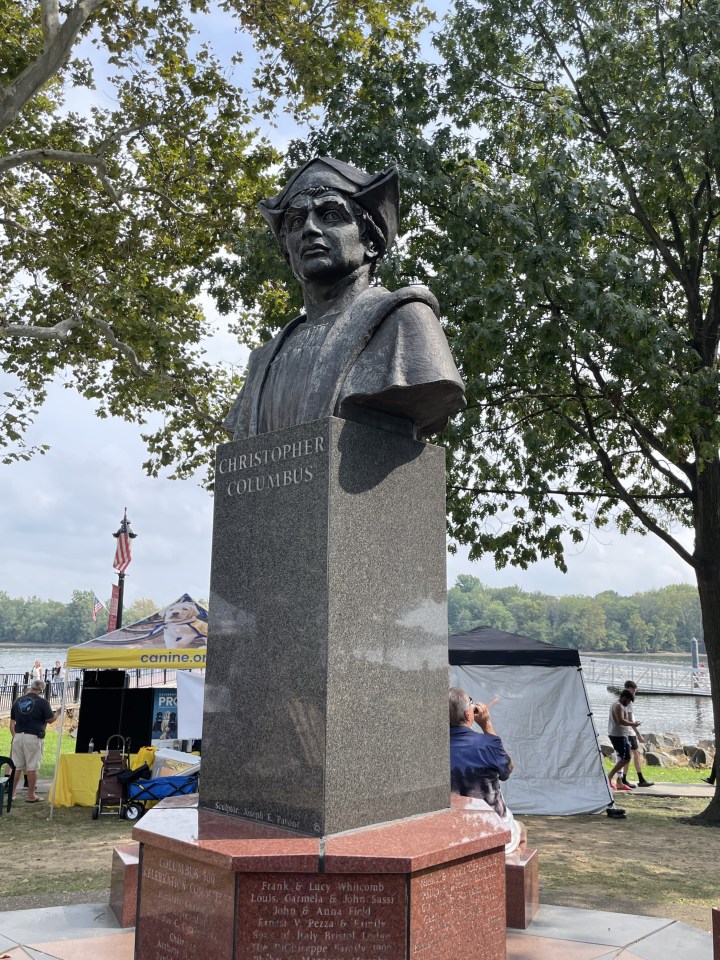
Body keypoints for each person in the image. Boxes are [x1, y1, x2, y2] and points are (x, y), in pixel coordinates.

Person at [224, 156, 466, 441]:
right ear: (286, 250)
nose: (310, 230)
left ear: (371, 243)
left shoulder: (405, 321)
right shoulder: (263, 361)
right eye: (297, 221)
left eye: (330, 216)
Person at [449, 686, 524, 853]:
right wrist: (486, 725)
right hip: (488, 826)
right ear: (469, 714)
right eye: (471, 703)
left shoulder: (432, 747)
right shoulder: (488, 743)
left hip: (452, 827)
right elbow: (507, 771)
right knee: (522, 830)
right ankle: (515, 870)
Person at [10, 678, 60, 802]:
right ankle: (31, 795)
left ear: (31, 687)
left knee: (17, 766)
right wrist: (58, 713)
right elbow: (49, 719)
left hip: (18, 736)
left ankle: (12, 793)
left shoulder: (18, 701)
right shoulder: (42, 702)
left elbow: (13, 719)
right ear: (41, 690)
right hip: (33, 737)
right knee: (32, 767)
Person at [620, 681, 654, 788]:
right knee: (634, 754)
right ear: (629, 689)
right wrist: (638, 734)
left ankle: (625, 778)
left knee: (630, 755)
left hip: (628, 731)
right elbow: (629, 719)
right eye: (634, 691)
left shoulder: (622, 701)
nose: (634, 693)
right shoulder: (628, 702)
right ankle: (637, 779)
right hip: (630, 731)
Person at [607, 689, 641, 792]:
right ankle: (609, 776)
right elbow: (620, 720)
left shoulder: (621, 705)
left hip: (622, 735)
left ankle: (619, 782)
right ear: (624, 698)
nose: (629, 703)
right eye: (629, 700)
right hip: (618, 735)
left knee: (623, 757)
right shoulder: (618, 705)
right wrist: (633, 724)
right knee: (626, 758)